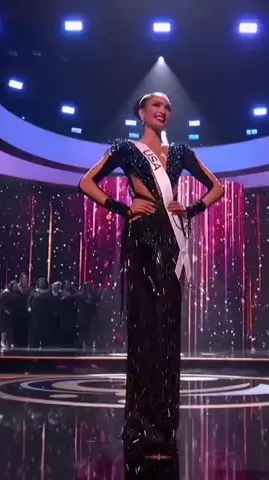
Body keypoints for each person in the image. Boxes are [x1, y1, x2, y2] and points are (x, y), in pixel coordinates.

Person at [79, 92, 224, 455]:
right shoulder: (126, 148)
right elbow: (86, 182)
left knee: (168, 330)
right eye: (156, 106)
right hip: (142, 237)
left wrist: (191, 209)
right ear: (141, 113)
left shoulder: (180, 153)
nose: (163, 111)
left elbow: (217, 188)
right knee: (145, 328)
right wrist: (122, 207)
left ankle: (164, 425)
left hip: (172, 238)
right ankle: (142, 426)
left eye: (168, 107)